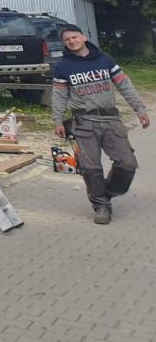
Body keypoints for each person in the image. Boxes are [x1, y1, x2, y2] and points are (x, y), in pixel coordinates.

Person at [52, 23, 150, 224]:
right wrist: (58, 120)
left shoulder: (105, 59)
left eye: (75, 37)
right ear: (64, 43)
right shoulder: (63, 66)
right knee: (90, 167)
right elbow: (59, 96)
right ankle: (101, 206)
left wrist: (139, 109)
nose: (72, 41)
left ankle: (107, 192)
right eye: (67, 39)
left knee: (127, 163)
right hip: (84, 122)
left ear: (84, 37)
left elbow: (124, 85)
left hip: (111, 120)